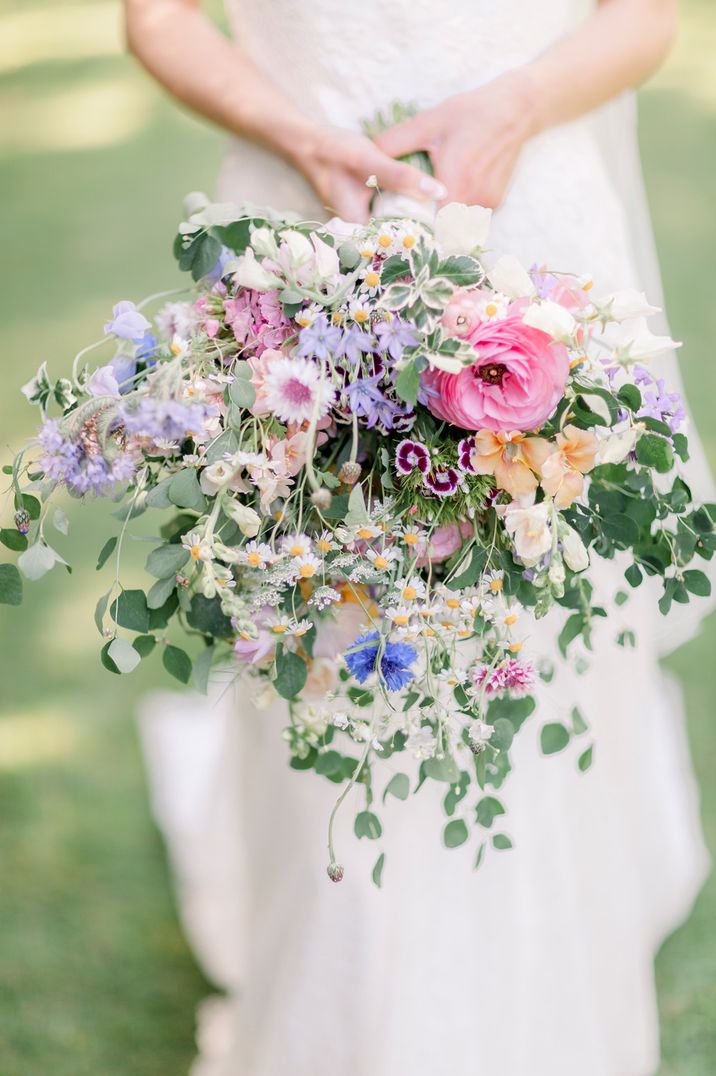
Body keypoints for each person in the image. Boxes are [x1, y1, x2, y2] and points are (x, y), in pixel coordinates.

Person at [124, 2, 712, 1073]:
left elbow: (641, 19)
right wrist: (296, 131)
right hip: (306, 217)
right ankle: (340, 1009)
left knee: (539, 619)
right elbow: (157, 18)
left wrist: (516, 101)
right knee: (321, 622)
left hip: (525, 202)